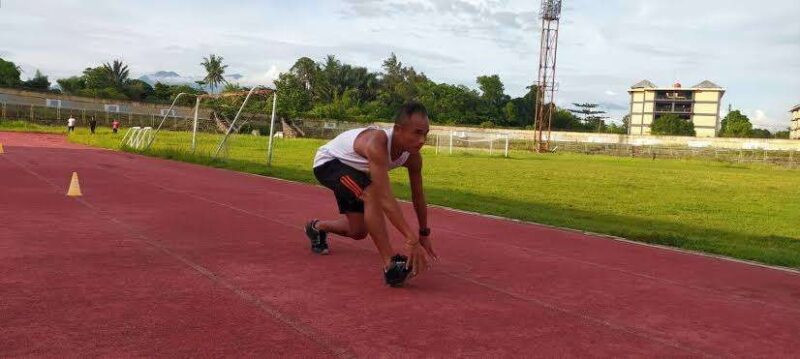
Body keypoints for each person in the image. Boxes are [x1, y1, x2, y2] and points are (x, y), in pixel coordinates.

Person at [305, 102, 437, 287]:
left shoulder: (413, 157)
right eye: (417, 132)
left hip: (358, 174)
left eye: (426, 133)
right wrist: (411, 238)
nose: (422, 140)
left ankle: (316, 227)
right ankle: (390, 265)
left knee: (358, 231)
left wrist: (423, 233)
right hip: (329, 164)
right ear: (398, 129)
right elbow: (384, 197)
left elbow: (418, 196)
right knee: (372, 193)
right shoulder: (377, 142)